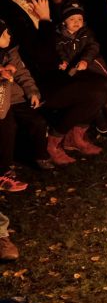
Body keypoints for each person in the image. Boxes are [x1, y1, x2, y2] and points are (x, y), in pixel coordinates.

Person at [0, 0, 107, 164]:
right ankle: (54, 140)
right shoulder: (14, 15)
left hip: (51, 75)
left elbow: (52, 49)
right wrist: (44, 19)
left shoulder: (27, 10)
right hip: (35, 84)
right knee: (96, 90)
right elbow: (42, 55)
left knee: (104, 85)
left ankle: (72, 137)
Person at [55, 1, 107, 136]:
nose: (76, 22)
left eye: (79, 19)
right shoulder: (60, 38)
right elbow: (61, 52)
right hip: (77, 72)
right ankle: (100, 123)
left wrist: (85, 60)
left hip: (93, 67)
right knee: (90, 96)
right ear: (64, 22)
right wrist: (64, 62)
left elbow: (93, 47)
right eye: (72, 19)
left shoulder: (86, 33)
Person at [0, 19, 53, 188]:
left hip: (16, 97)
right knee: (8, 128)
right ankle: (4, 170)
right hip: (1, 102)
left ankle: (40, 156)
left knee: (38, 122)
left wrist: (32, 92)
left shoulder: (11, 52)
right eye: (5, 33)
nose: (9, 35)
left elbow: (22, 73)